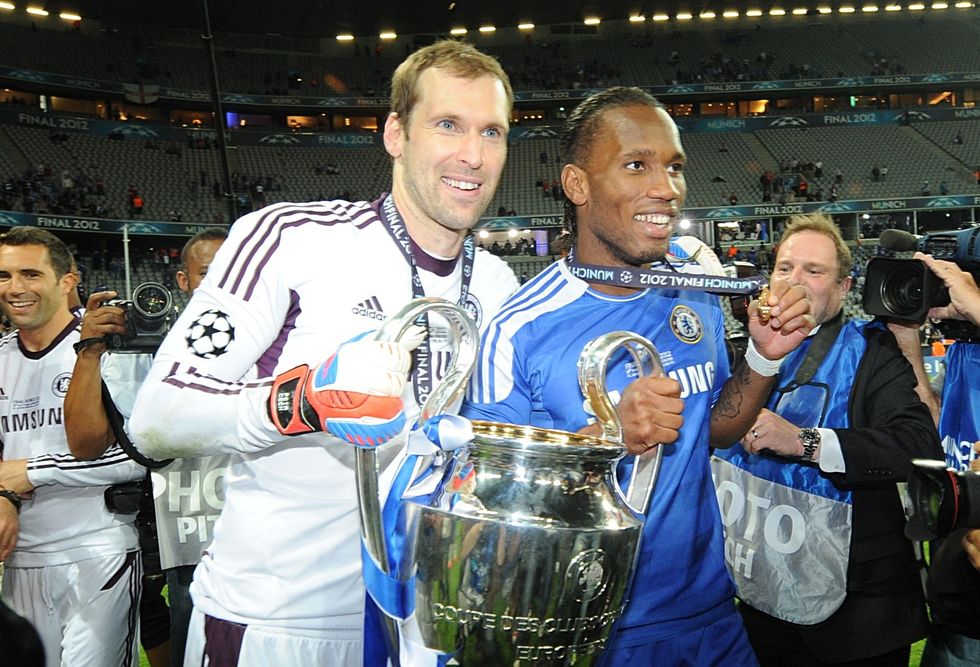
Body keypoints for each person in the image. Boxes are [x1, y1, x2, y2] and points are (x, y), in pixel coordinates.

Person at [128, 40, 519, 665]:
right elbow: (156, 419)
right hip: (277, 622)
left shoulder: (500, 284)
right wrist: (302, 400)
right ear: (396, 133)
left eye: (492, 132)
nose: (472, 154)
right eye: (448, 124)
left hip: (423, 626)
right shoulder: (291, 238)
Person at [462, 87, 814, 664]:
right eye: (636, 165)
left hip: (711, 615)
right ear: (578, 185)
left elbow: (715, 429)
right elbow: (487, 507)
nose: (666, 188)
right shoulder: (520, 328)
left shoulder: (694, 291)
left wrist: (763, 359)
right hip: (588, 630)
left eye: (674, 167)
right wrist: (606, 442)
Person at [711, 213, 942, 666]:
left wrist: (806, 442)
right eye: (785, 267)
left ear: (842, 288)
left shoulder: (872, 351)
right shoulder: (738, 350)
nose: (795, 280)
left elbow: (918, 444)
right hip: (757, 602)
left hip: (858, 617)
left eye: (813, 271)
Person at [63, 228, 230, 667]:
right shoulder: (148, 343)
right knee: (167, 613)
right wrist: (93, 350)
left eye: (234, 269)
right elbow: (103, 441)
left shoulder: (281, 338)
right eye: (209, 272)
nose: (223, 281)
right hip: (174, 514)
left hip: (245, 515)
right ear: (182, 281)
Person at [0, 226, 144, 667]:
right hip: (19, 560)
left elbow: (138, 455)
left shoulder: (113, 351)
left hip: (96, 550)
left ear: (67, 281)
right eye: (3, 276)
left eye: (30, 274)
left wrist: (31, 471)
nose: (15, 288)